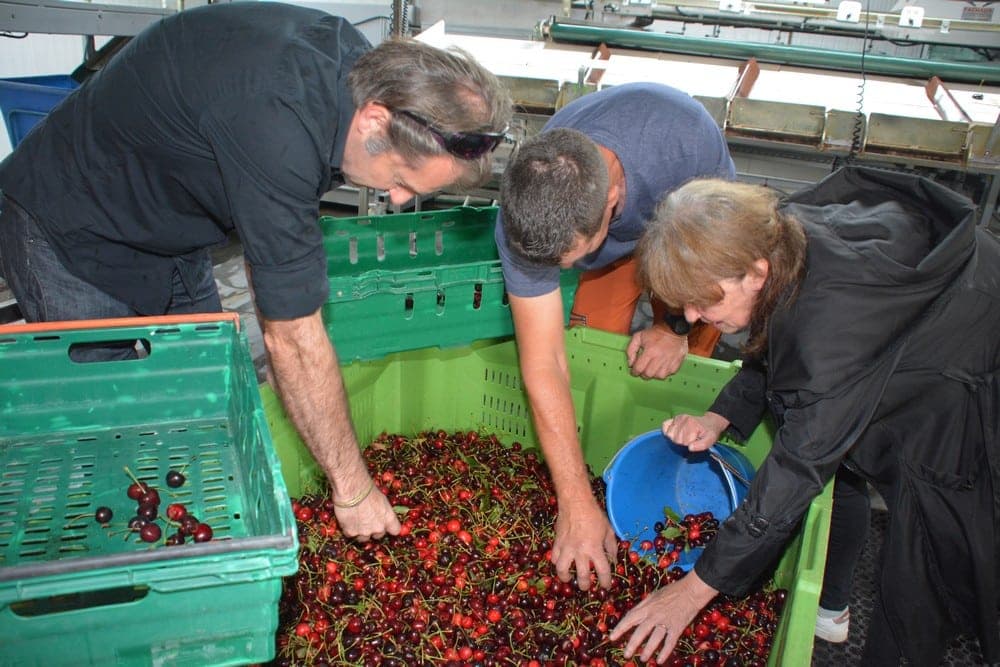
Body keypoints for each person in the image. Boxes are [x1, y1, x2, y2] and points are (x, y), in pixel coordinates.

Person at [0, 2, 511, 542]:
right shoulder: (278, 121)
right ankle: (117, 573)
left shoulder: (359, 71)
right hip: (70, 224)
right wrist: (353, 488)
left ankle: (190, 529)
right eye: (403, 176)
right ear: (375, 120)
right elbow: (291, 337)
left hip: (168, 223)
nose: (398, 196)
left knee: (203, 396)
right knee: (110, 424)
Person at [609, 166, 1000, 666]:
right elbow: (775, 337)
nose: (689, 317)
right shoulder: (779, 235)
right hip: (946, 327)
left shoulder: (829, 332)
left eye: (703, 298)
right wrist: (718, 418)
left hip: (970, 390)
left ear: (754, 271)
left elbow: (796, 471)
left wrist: (689, 594)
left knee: (928, 573)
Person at [496, 82, 735, 591]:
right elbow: (545, 364)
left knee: (686, 348)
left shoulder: (682, 144)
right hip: (619, 233)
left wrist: (673, 326)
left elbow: (721, 272)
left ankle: (677, 468)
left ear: (611, 201)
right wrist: (577, 503)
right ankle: (607, 470)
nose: (568, 270)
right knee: (595, 355)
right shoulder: (527, 211)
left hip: (691, 236)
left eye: (576, 257)